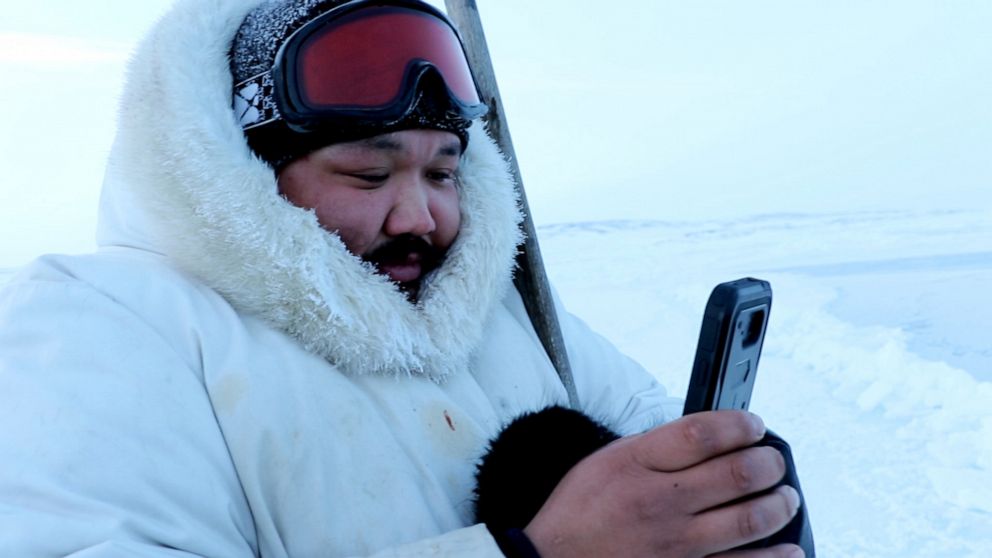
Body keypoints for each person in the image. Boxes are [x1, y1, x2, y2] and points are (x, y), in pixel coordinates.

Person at [0, 0, 804, 556]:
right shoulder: (98, 326)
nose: (419, 217)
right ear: (236, 174)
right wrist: (537, 554)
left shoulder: (491, 312)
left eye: (445, 173)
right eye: (366, 174)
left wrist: (735, 498)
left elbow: (648, 423)